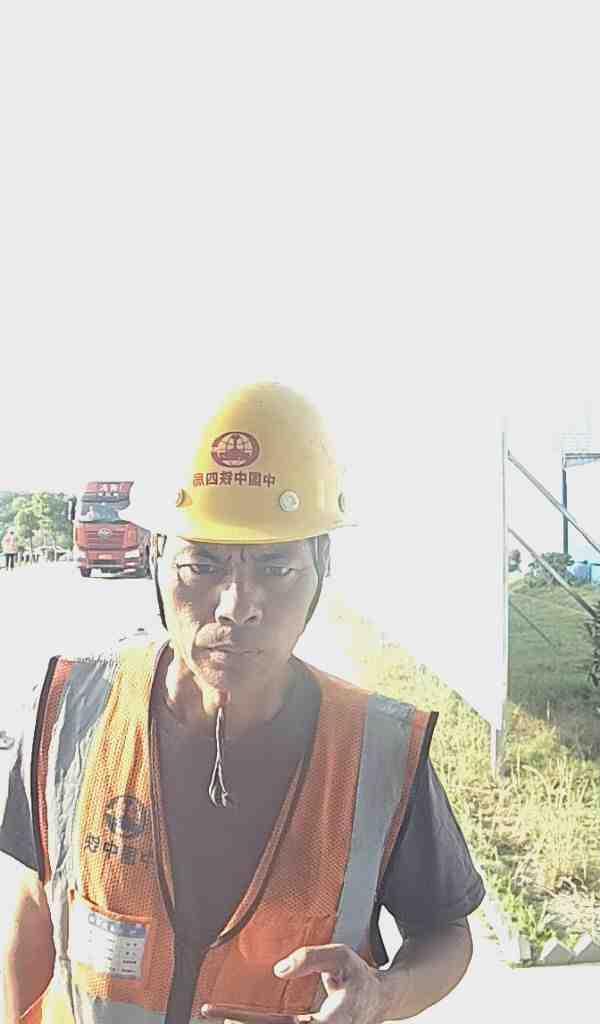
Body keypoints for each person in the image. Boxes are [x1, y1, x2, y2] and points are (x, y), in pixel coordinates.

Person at [0, 382, 484, 1024]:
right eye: (201, 565)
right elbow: (36, 899)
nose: (236, 606)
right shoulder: (71, 711)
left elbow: (444, 930)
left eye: (276, 569)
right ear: (156, 560)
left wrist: (383, 994)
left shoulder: (378, 752)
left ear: (321, 571)